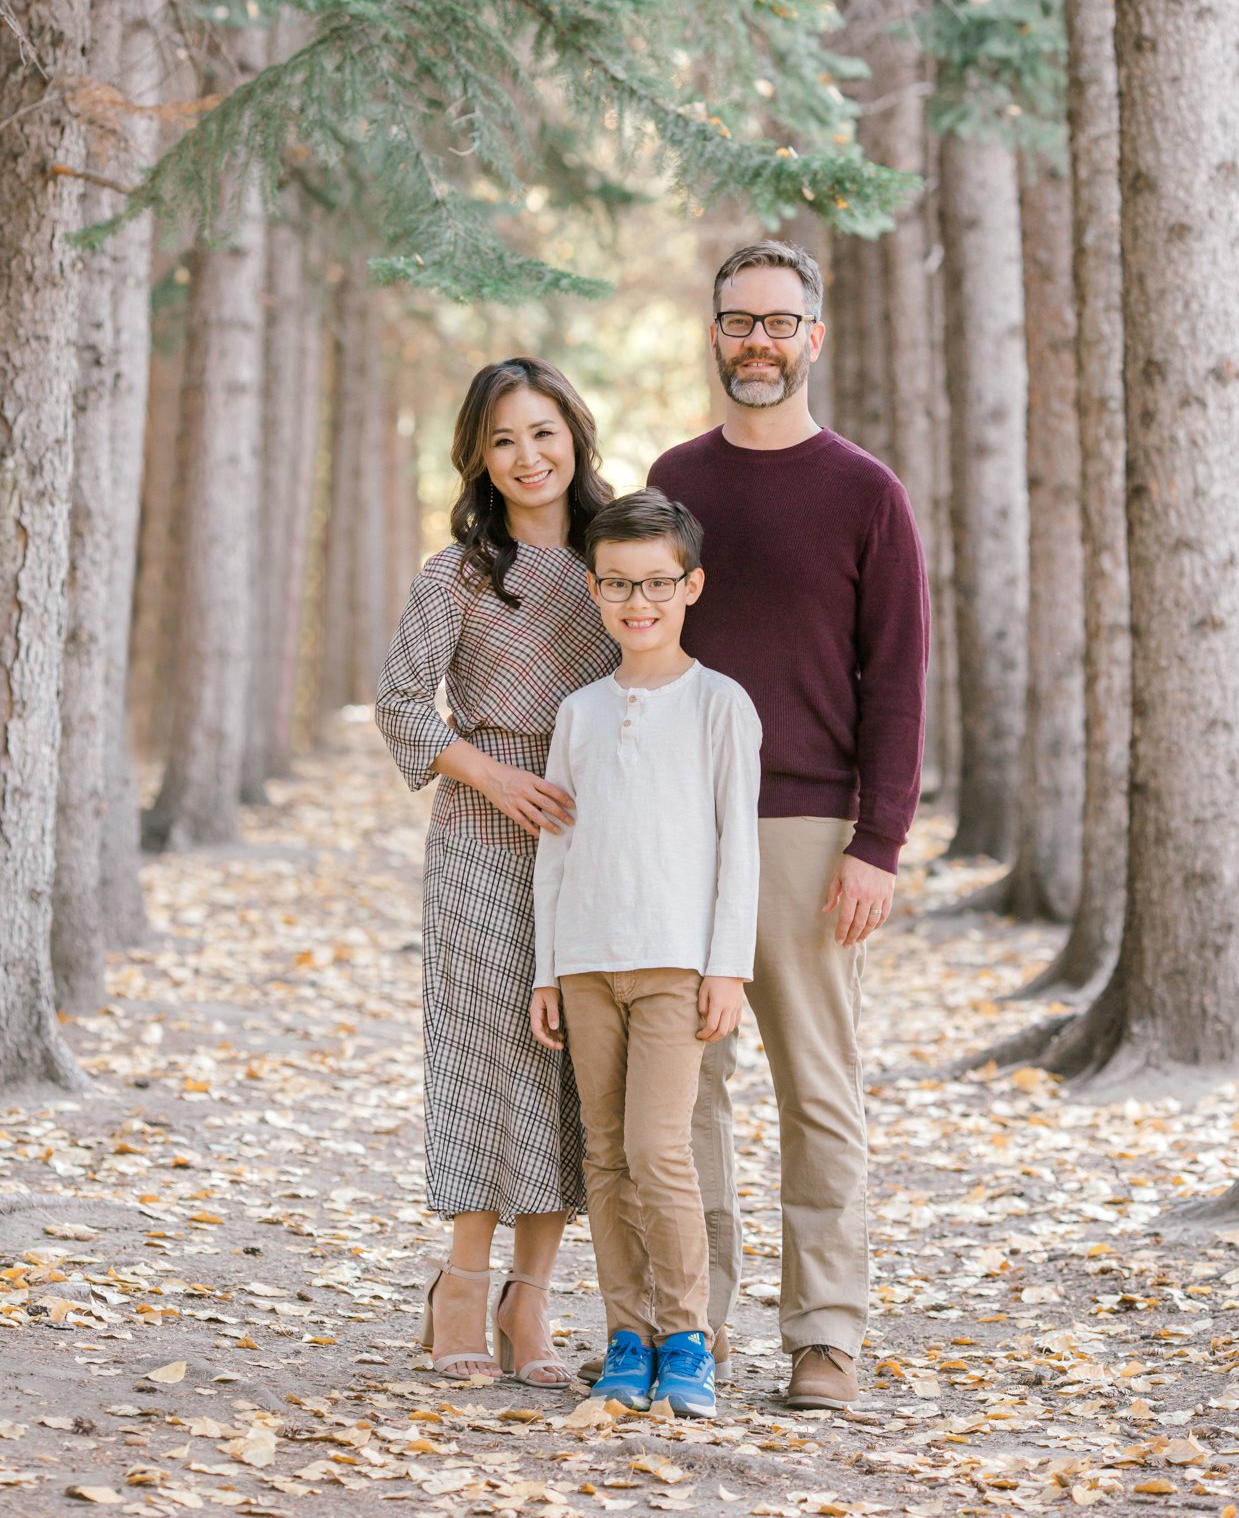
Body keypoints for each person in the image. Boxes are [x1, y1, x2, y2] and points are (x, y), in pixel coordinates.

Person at [648, 239, 929, 1410]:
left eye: (777, 321)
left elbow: (900, 676)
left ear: (812, 337)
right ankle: (687, 1322)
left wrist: (878, 842)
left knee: (819, 1088)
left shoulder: (866, 491)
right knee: (682, 1095)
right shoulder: (674, 480)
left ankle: (825, 1333)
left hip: (807, 830)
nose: (755, 340)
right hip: (675, 828)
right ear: (713, 332)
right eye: (736, 320)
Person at [376, 357, 619, 1387]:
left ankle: (533, 1302)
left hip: (597, 826)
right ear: (478, 453)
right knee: (487, 1052)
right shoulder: (459, 573)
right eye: (504, 438)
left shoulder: (619, 558)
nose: (528, 455)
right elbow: (398, 701)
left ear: (576, 434)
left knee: (570, 1062)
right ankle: (461, 1285)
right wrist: (486, 771)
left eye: (544, 431)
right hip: (484, 824)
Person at [529, 490, 761, 1420]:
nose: (639, 602)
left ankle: (686, 1336)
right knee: (605, 1156)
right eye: (619, 584)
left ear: (690, 585)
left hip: (675, 963)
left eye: (657, 584)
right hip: (587, 961)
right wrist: (547, 969)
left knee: (661, 1151)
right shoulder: (578, 711)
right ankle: (626, 1336)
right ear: (593, 589)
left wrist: (727, 965)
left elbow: (736, 844)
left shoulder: (718, 705)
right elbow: (555, 849)